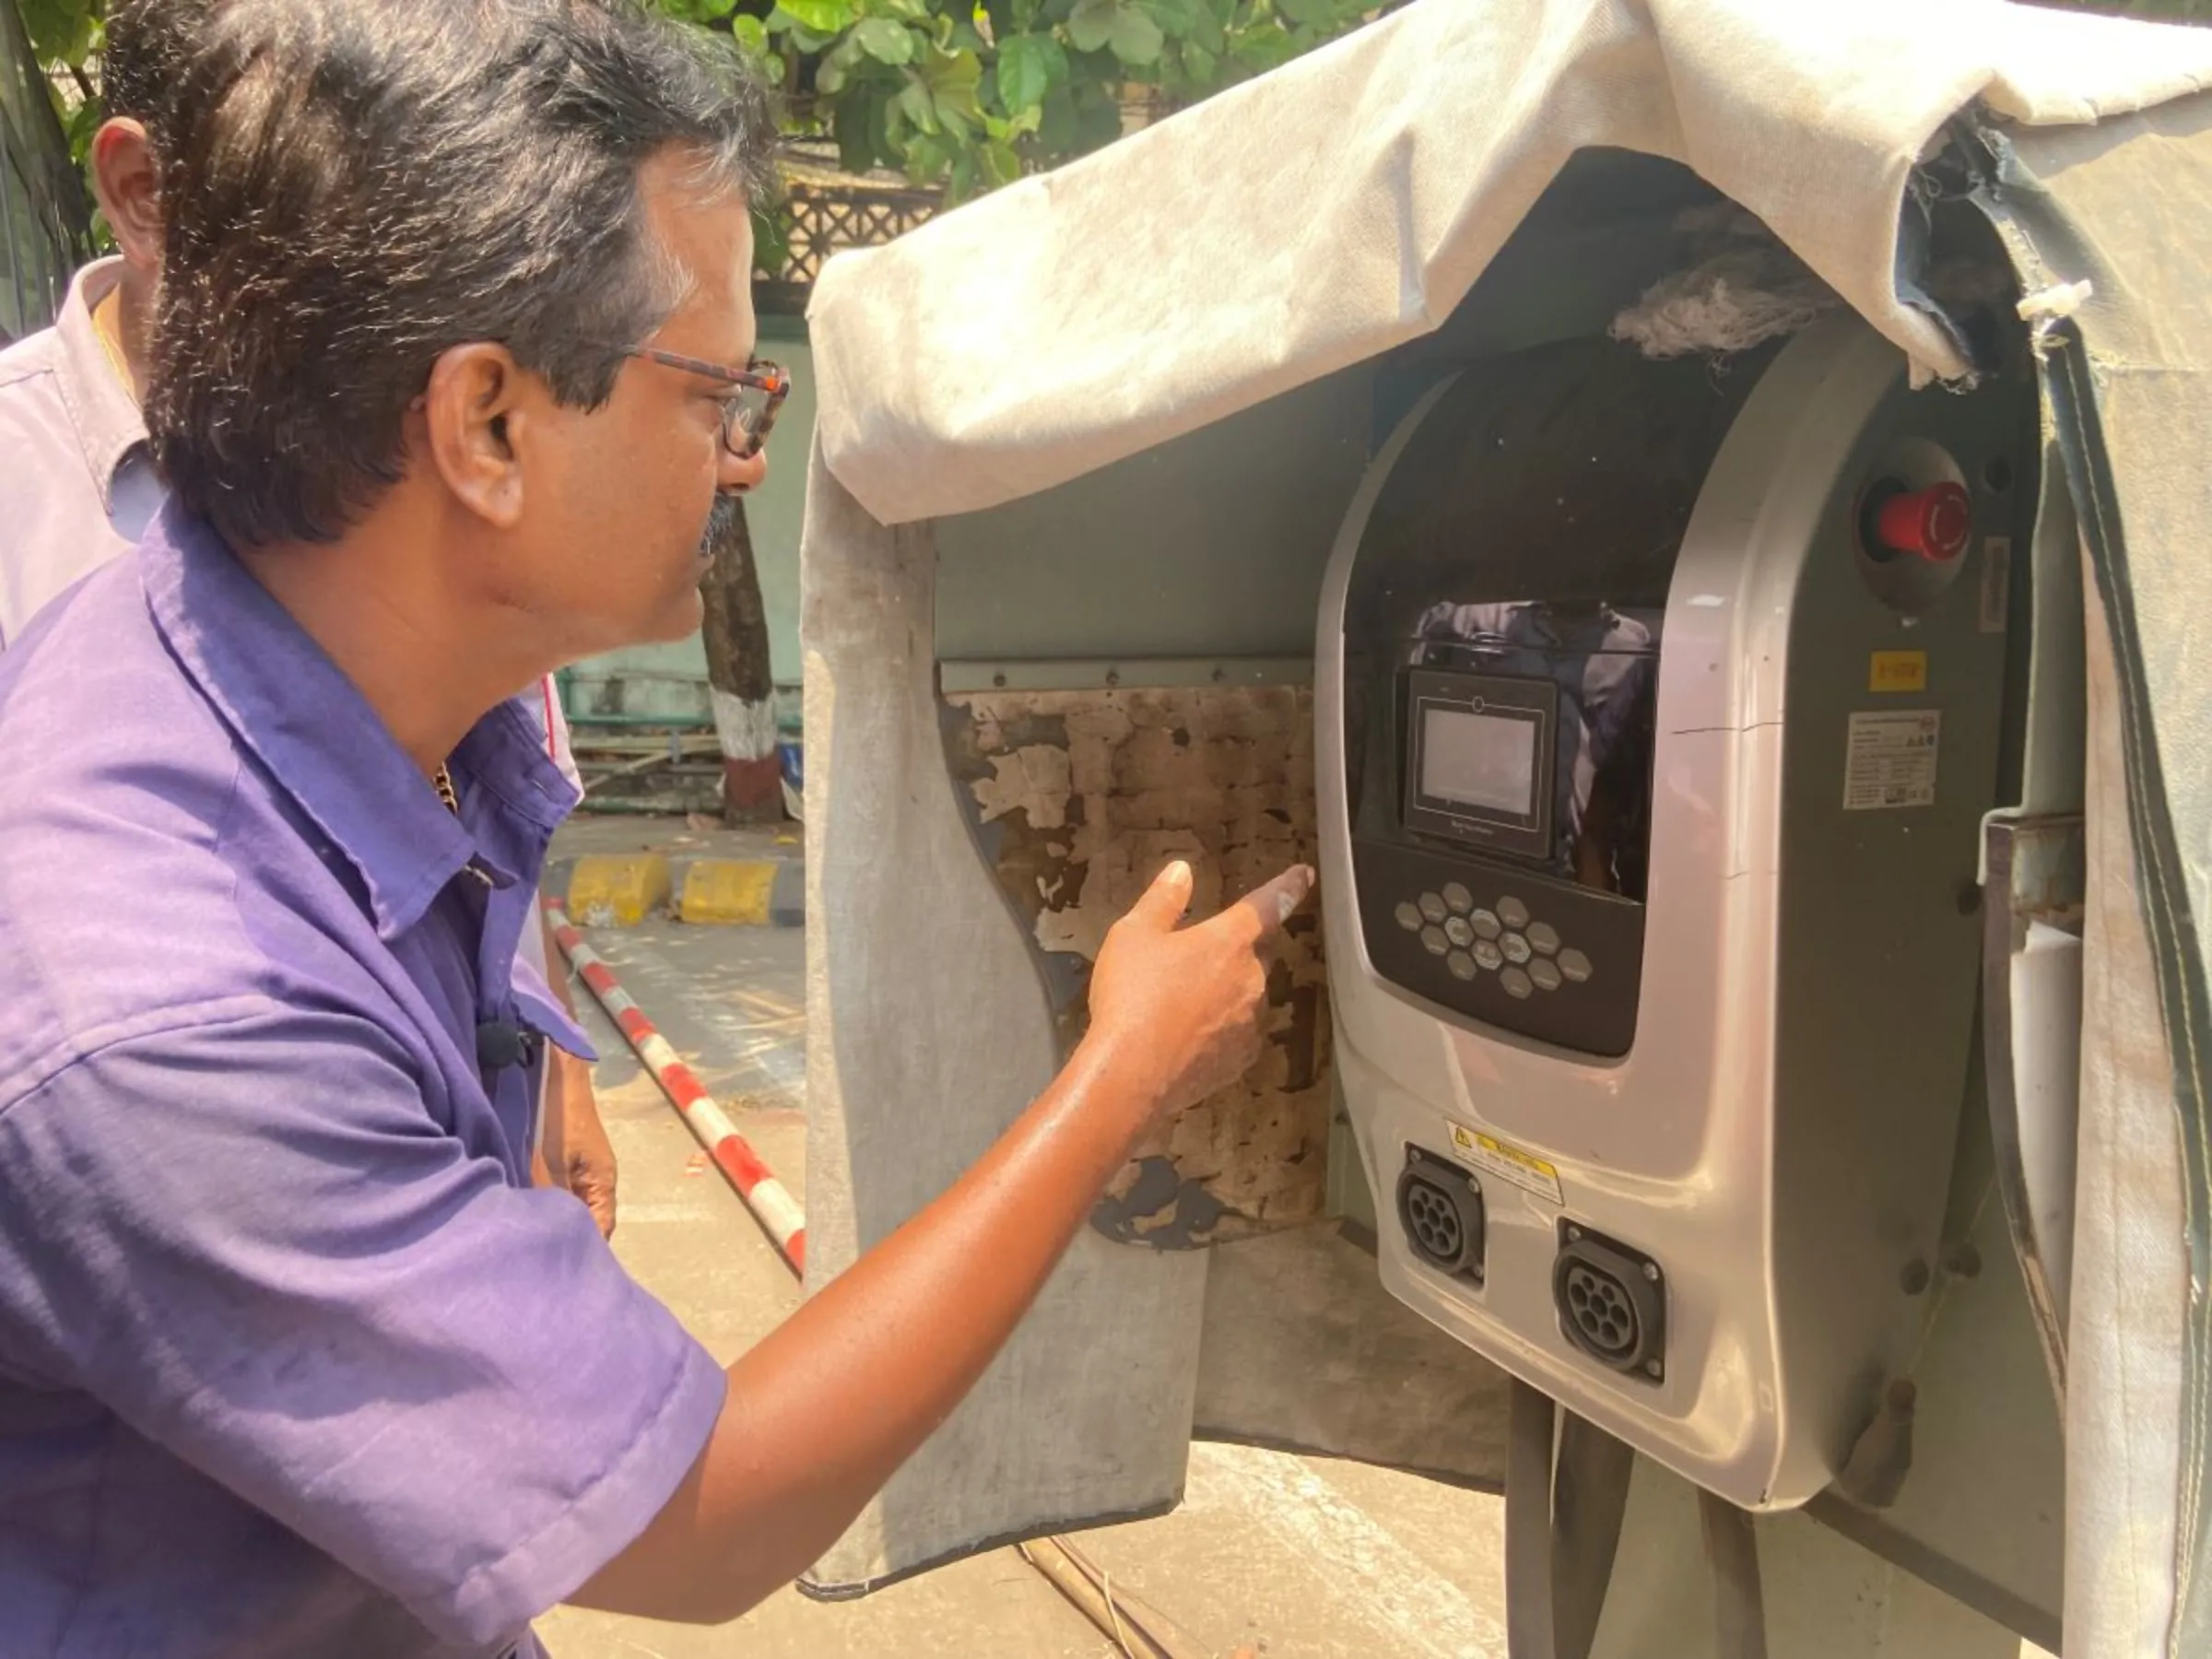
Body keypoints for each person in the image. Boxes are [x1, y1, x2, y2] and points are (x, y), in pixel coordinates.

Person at [0, 3, 1312, 1654]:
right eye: (712, 391)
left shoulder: (322, 686)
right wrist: (1121, 1072)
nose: (741, 458)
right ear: (486, 425)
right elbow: (703, 1517)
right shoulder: (164, 1003)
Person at [0, 0, 620, 1236]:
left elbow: (495, 800)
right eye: (359, 206)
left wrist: (552, 1062)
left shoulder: (431, 452)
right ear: (144, 191)